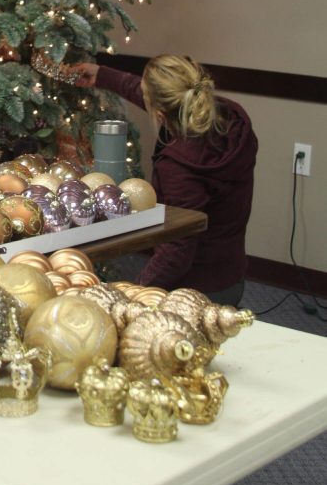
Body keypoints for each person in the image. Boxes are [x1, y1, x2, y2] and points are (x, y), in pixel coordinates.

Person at [71, 54, 258, 306]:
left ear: (159, 114)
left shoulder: (180, 170)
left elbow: (177, 251)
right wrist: (103, 75)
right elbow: (168, 98)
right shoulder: (232, 118)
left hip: (194, 293)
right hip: (232, 278)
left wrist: (133, 293)